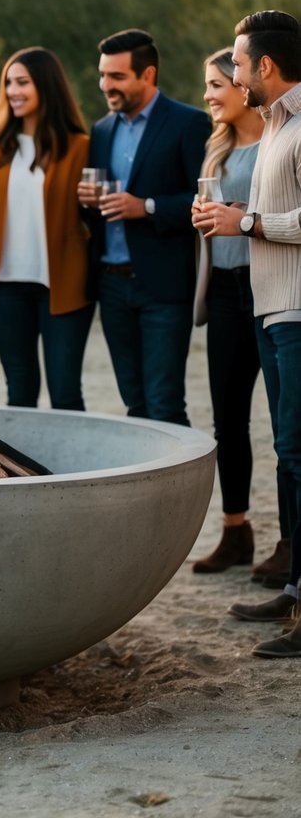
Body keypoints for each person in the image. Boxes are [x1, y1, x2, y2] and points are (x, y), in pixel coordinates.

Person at [194, 11, 301, 656]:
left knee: (298, 450)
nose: (230, 74)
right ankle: (294, 589)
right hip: (269, 307)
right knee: (290, 454)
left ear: (264, 66)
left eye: (236, 63)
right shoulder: (279, 127)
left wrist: (250, 223)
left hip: (297, 310)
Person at [79, 28, 210, 426]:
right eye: (103, 75)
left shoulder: (189, 124)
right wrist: (86, 202)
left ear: (148, 75)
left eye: (117, 77)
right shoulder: (101, 130)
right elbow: (100, 212)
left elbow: (204, 200)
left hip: (164, 288)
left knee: (165, 402)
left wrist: (147, 207)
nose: (106, 85)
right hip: (112, 286)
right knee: (134, 405)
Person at [0, 47, 93, 409]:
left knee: (66, 391)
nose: (12, 91)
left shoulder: (80, 147)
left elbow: (91, 215)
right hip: (5, 289)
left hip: (65, 286)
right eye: (8, 83)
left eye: (22, 82)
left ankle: (75, 468)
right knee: (19, 391)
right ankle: (24, 469)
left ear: (46, 86)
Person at [190, 48, 266, 574]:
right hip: (224, 291)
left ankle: (290, 548)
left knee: (288, 427)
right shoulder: (216, 152)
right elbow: (210, 223)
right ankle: (235, 531)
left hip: (269, 290)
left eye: (218, 84)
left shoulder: (279, 143)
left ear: (244, 86)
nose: (210, 96)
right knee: (229, 421)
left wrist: (242, 217)